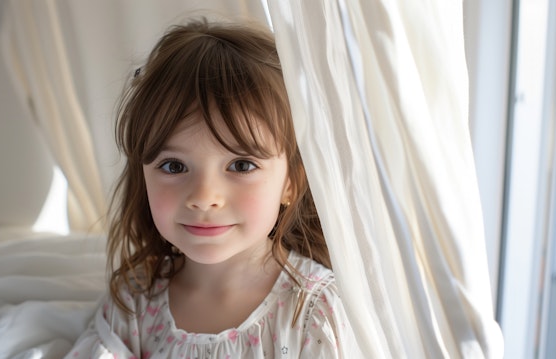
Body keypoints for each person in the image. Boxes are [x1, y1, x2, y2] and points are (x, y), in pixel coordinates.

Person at [66, 18, 358, 358]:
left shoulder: (315, 311)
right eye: (174, 166)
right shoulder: (135, 302)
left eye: (241, 165)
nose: (204, 197)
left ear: (290, 182)